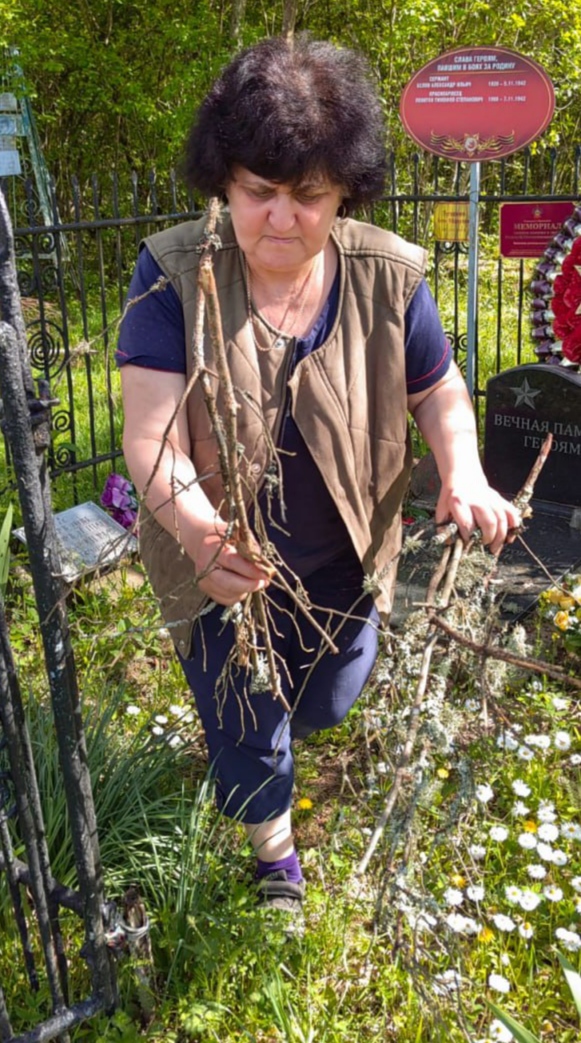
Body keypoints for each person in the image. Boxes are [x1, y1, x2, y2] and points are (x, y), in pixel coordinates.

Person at [117, 34, 520, 914]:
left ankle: (283, 736)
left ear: (345, 191)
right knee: (247, 723)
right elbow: (148, 435)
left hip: (344, 559)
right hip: (219, 562)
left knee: (328, 700)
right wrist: (198, 531)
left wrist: (462, 470)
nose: (280, 218)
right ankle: (275, 863)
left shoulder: (386, 275)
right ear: (223, 181)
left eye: (308, 196)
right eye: (258, 191)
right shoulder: (174, 273)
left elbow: (436, 387)